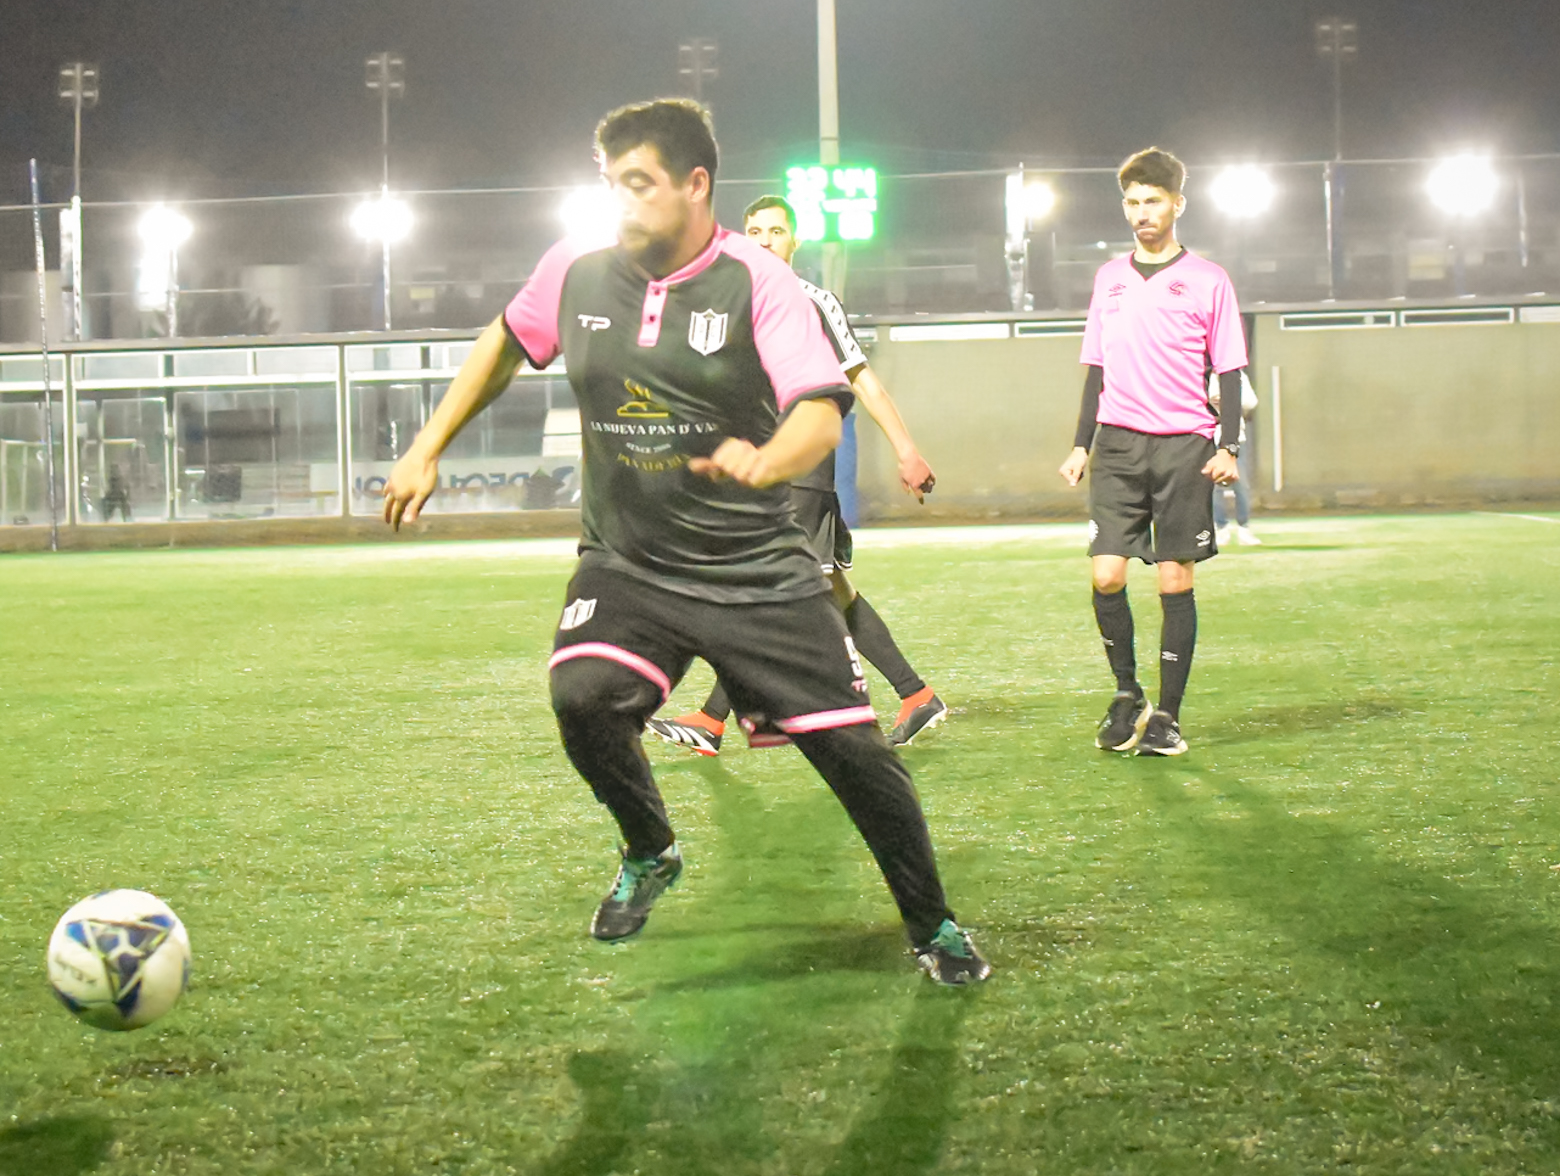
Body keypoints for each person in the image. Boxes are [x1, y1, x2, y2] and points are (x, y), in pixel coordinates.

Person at [383, 98, 989, 984]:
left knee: (855, 759)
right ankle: (650, 848)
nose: (621, 202)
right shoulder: (574, 267)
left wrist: (768, 460)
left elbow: (820, 411)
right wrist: (426, 446)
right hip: (627, 561)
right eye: (611, 184)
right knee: (582, 697)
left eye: (640, 183)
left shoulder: (758, 281)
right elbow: (505, 343)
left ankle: (933, 925)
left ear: (696, 184)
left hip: (752, 567)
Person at [646, 193, 947, 754]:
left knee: (760, 590)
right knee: (830, 591)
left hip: (801, 469)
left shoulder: (813, 300)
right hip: (759, 471)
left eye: (776, 231)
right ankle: (916, 695)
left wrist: (906, 449)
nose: (764, 241)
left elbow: (862, 380)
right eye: (755, 231)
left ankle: (713, 719)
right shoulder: (731, 303)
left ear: (795, 241)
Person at [1057, 147, 1248, 758]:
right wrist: (1081, 444)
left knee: (1173, 579)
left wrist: (1228, 446)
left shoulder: (1210, 279)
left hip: (1184, 446)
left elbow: (1230, 369)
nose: (1141, 212)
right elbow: (1096, 368)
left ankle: (1167, 716)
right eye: (1132, 202)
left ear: (1177, 204)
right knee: (1106, 574)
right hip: (1117, 444)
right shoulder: (1109, 279)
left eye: (1153, 201)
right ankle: (1126, 693)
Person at [1211, 368, 1260, 546]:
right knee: (1214, 487)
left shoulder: (1236, 374)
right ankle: (1220, 528)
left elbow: (1251, 401)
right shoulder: (1202, 374)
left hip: (1236, 438)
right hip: (1209, 437)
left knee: (1242, 484)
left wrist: (1229, 400)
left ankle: (1244, 528)